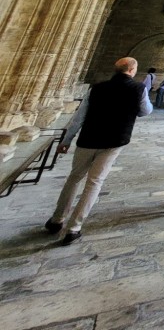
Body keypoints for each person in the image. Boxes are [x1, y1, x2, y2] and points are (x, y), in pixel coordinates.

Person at [44, 57, 152, 244]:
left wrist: (66, 139)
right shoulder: (138, 88)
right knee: (94, 182)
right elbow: (145, 111)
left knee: (74, 177)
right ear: (133, 69)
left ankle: (57, 219)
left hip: (88, 138)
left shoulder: (97, 88)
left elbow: (79, 117)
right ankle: (74, 227)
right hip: (114, 140)